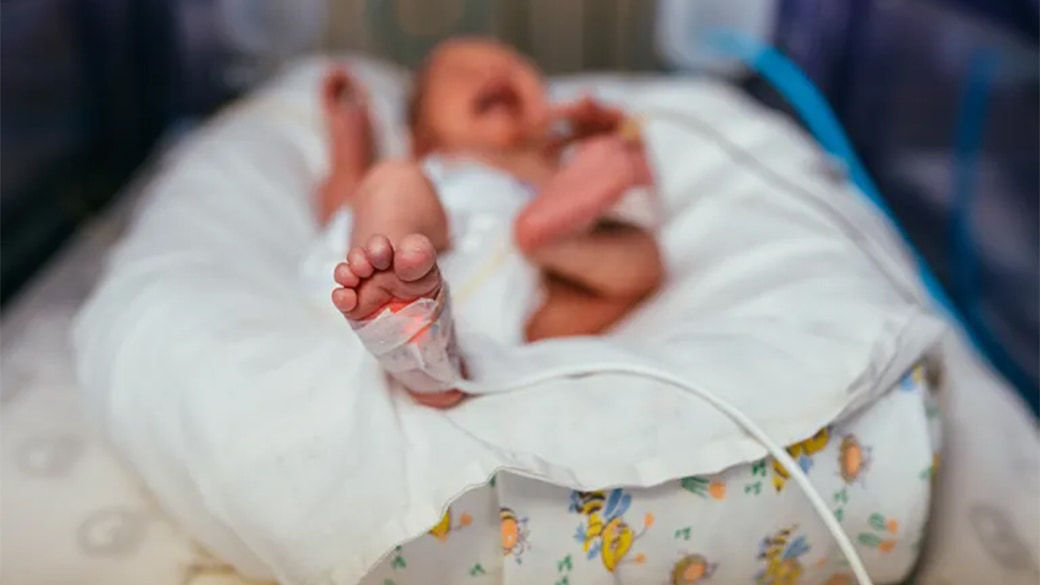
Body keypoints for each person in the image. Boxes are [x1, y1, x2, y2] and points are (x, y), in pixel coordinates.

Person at [318, 38, 664, 406]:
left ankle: (438, 354)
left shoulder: (557, 169)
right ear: (421, 137)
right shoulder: (430, 167)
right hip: (429, 250)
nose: (494, 73)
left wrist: (612, 146)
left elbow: (639, 209)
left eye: (517, 66)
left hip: (522, 298)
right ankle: (399, 312)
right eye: (461, 72)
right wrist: (351, 143)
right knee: (391, 186)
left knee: (645, 255)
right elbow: (344, 205)